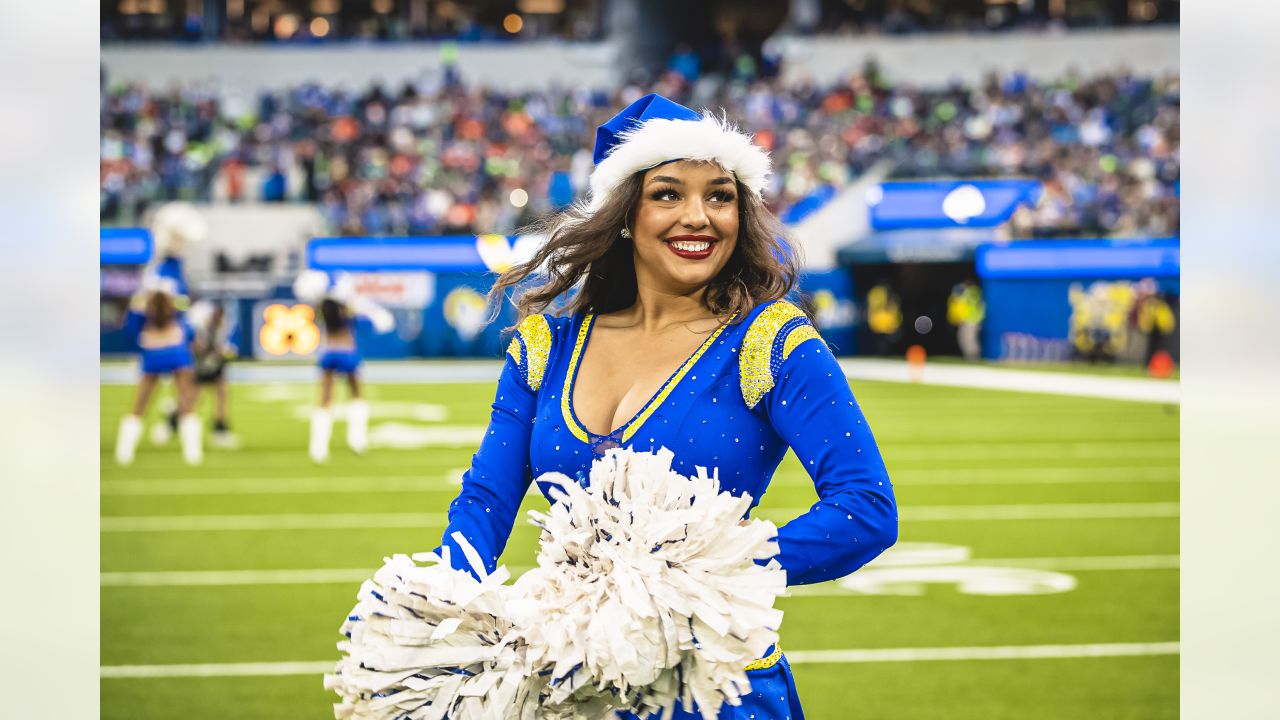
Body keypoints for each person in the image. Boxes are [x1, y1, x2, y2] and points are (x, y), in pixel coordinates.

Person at [434, 94, 898, 719]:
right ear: (625, 212)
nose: (699, 217)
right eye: (668, 194)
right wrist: (438, 609)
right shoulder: (548, 345)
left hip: (715, 688)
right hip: (571, 686)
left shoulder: (771, 341)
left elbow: (866, 508)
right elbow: (487, 501)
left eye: (721, 196)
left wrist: (702, 573)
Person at [294, 271, 395, 463]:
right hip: (347, 351)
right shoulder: (347, 306)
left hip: (328, 351)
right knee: (356, 393)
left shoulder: (322, 305)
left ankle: (319, 447)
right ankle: (357, 440)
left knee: (324, 398)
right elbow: (371, 321)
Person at [114, 278, 202, 466]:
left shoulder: (143, 310)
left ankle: (124, 453)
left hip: (152, 354)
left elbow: (130, 332)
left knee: (139, 406)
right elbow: (190, 331)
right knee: (187, 404)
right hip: (177, 353)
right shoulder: (176, 309)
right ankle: (192, 454)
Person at [160, 298, 240, 449]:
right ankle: (172, 422)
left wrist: (222, 353)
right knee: (192, 396)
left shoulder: (224, 324)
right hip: (196, 361)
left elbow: (223, 345)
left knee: (222, 390)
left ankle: (220, 428)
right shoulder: (197, 323)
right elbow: (192, 345)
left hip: (211, 360)